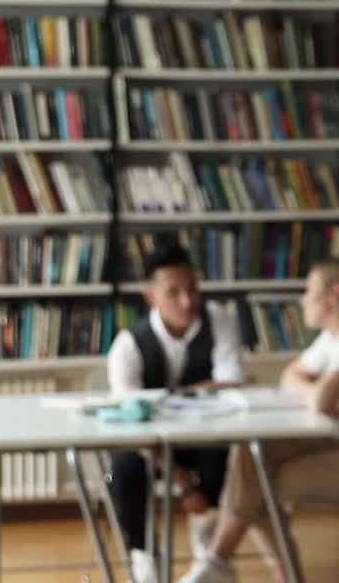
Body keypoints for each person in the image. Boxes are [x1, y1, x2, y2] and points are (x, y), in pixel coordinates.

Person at [179, 258, 339, 583]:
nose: (302, 299)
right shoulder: (333, 339)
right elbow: (290, 377)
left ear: (334, 294)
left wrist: (320, 394)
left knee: (256, 484)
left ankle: (220, 556)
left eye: (309, 291)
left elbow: (320, 400)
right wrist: (318, 392)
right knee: (254, 459)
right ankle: (232, 562)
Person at [107, 243, 245, 583]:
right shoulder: (128, 343)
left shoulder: (220, 320)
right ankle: (143, 556)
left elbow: (231, 384)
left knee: (223, 449)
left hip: (202, 436)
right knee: (124, 466)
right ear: (150, 295)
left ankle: (207, 542)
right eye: (173, 293)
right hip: (147, 444)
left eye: (192, 290)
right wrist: (183, 482)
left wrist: (163, 399)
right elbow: (130, 418)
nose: (187, 302)